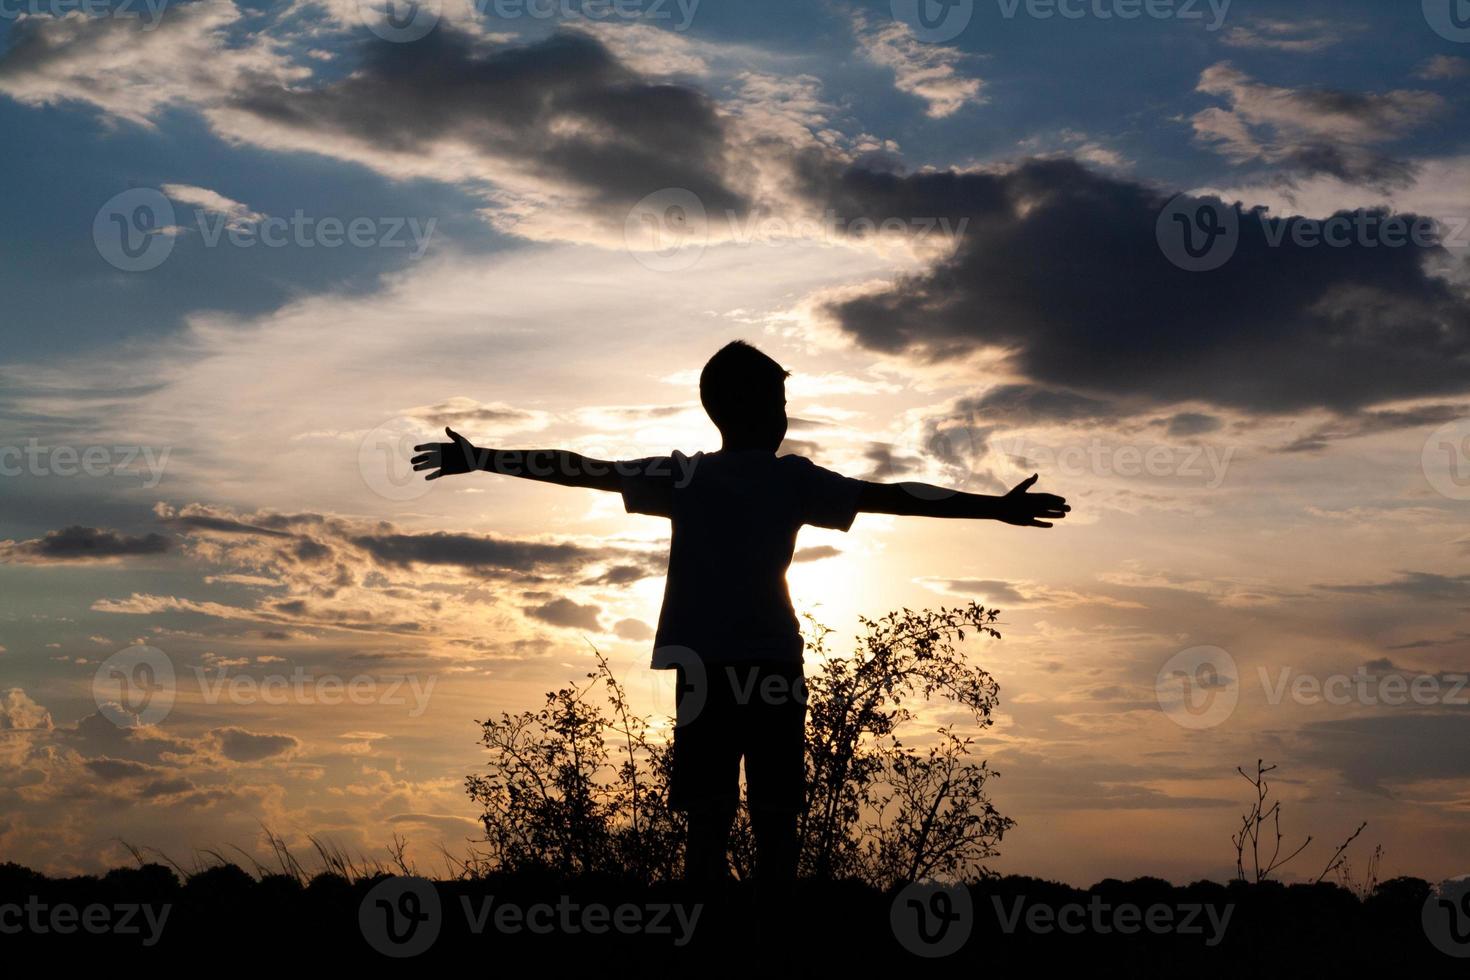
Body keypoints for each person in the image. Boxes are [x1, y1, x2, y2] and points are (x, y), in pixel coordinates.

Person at [411, 340, 1069, 897]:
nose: (784, 416)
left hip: (706, 665)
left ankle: (723, 940)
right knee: (772, 817)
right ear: (753, 409)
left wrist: (485, 459)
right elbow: (898, 497)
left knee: (711, 818)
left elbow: (585, 471)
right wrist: (991, 507)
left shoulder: (690, 477)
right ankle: (762, 939)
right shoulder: (786, 480)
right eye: (779, 403)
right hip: (769, 664)